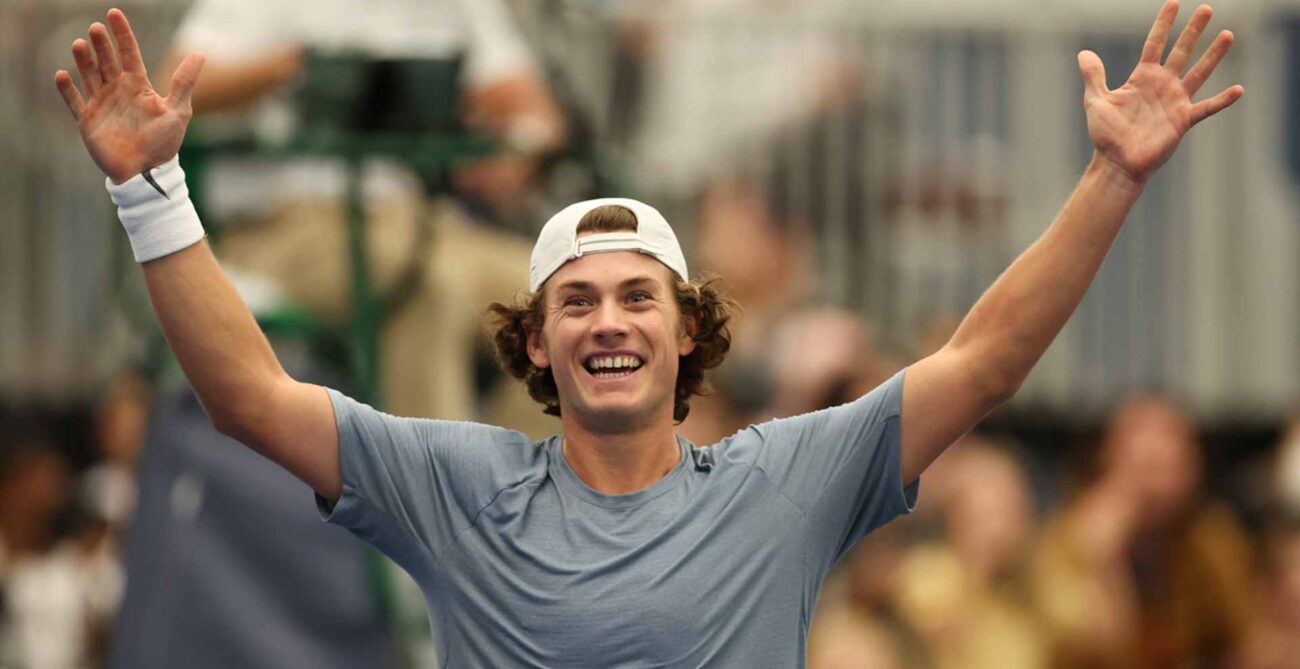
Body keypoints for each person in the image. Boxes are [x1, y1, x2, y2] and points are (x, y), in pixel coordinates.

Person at [53, 3, 1242, 666]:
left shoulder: (786, 478)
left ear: (689, 340)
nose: (607, 318)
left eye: (636, 297)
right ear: (535, 347)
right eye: (575, 299)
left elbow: (983, 361)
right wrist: (149, 192)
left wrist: (1110, 180)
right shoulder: (459, 485)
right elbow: (250, 398)